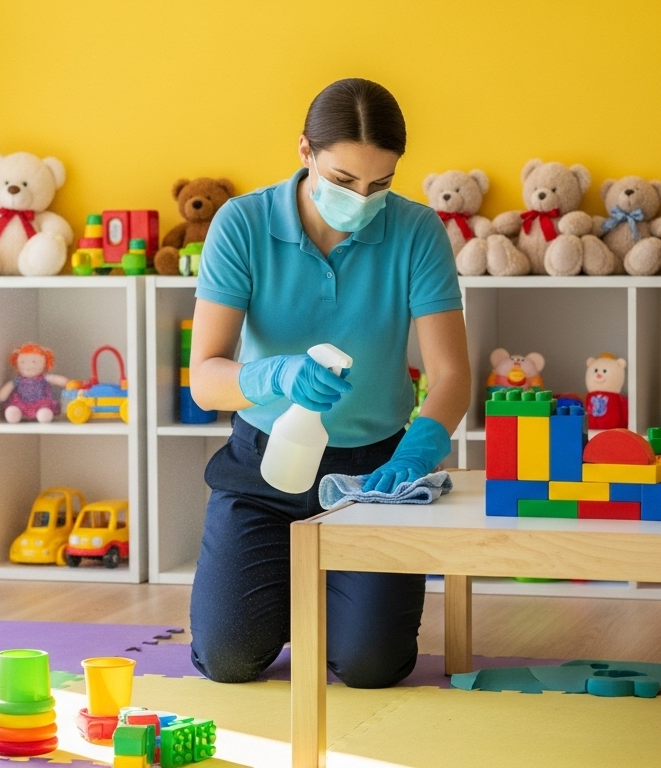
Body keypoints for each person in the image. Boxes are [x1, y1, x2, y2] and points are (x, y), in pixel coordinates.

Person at [186, 78, 471, 688]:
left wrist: (419, 447)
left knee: (373, 668)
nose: (362, 199)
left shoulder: (417, 232)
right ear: (305, 153)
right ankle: (287, 592)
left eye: (380, 184)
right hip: (262, 469)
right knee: (227, 660)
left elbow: (451, 375)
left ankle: (334, 603)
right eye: (343, 181)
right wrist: (276, 375)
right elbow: (206, 381)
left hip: (374, 474)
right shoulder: (242, 224)